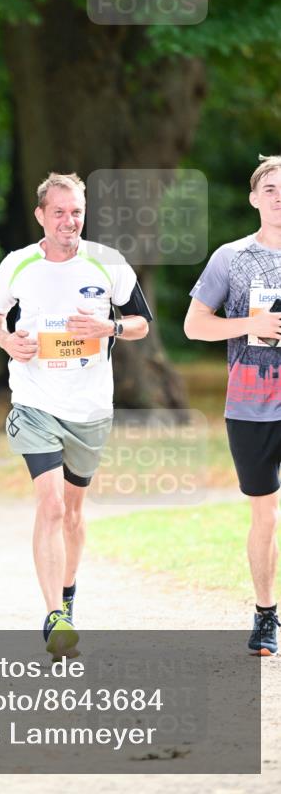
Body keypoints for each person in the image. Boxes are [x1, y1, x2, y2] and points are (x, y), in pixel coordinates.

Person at [0, 172, 152, 655]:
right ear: (40, 215)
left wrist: (109, 326)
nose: (68, 220)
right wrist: (7, 341)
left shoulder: (108, 263)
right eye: (58, 211)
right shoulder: (18, 264)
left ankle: (68, 595)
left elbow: (141, 323)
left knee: (74, 513)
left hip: (91, 407)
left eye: (76, 211)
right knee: (51, 505)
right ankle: (54, 614)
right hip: (35, 402)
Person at [184, 154, 281, 656]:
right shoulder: (231, 258)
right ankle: (267, 615)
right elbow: (193, 325)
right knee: (263, 515)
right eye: (270, 189)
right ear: (254, 198)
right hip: (251, 405)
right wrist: (251, 324)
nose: (279, 197)